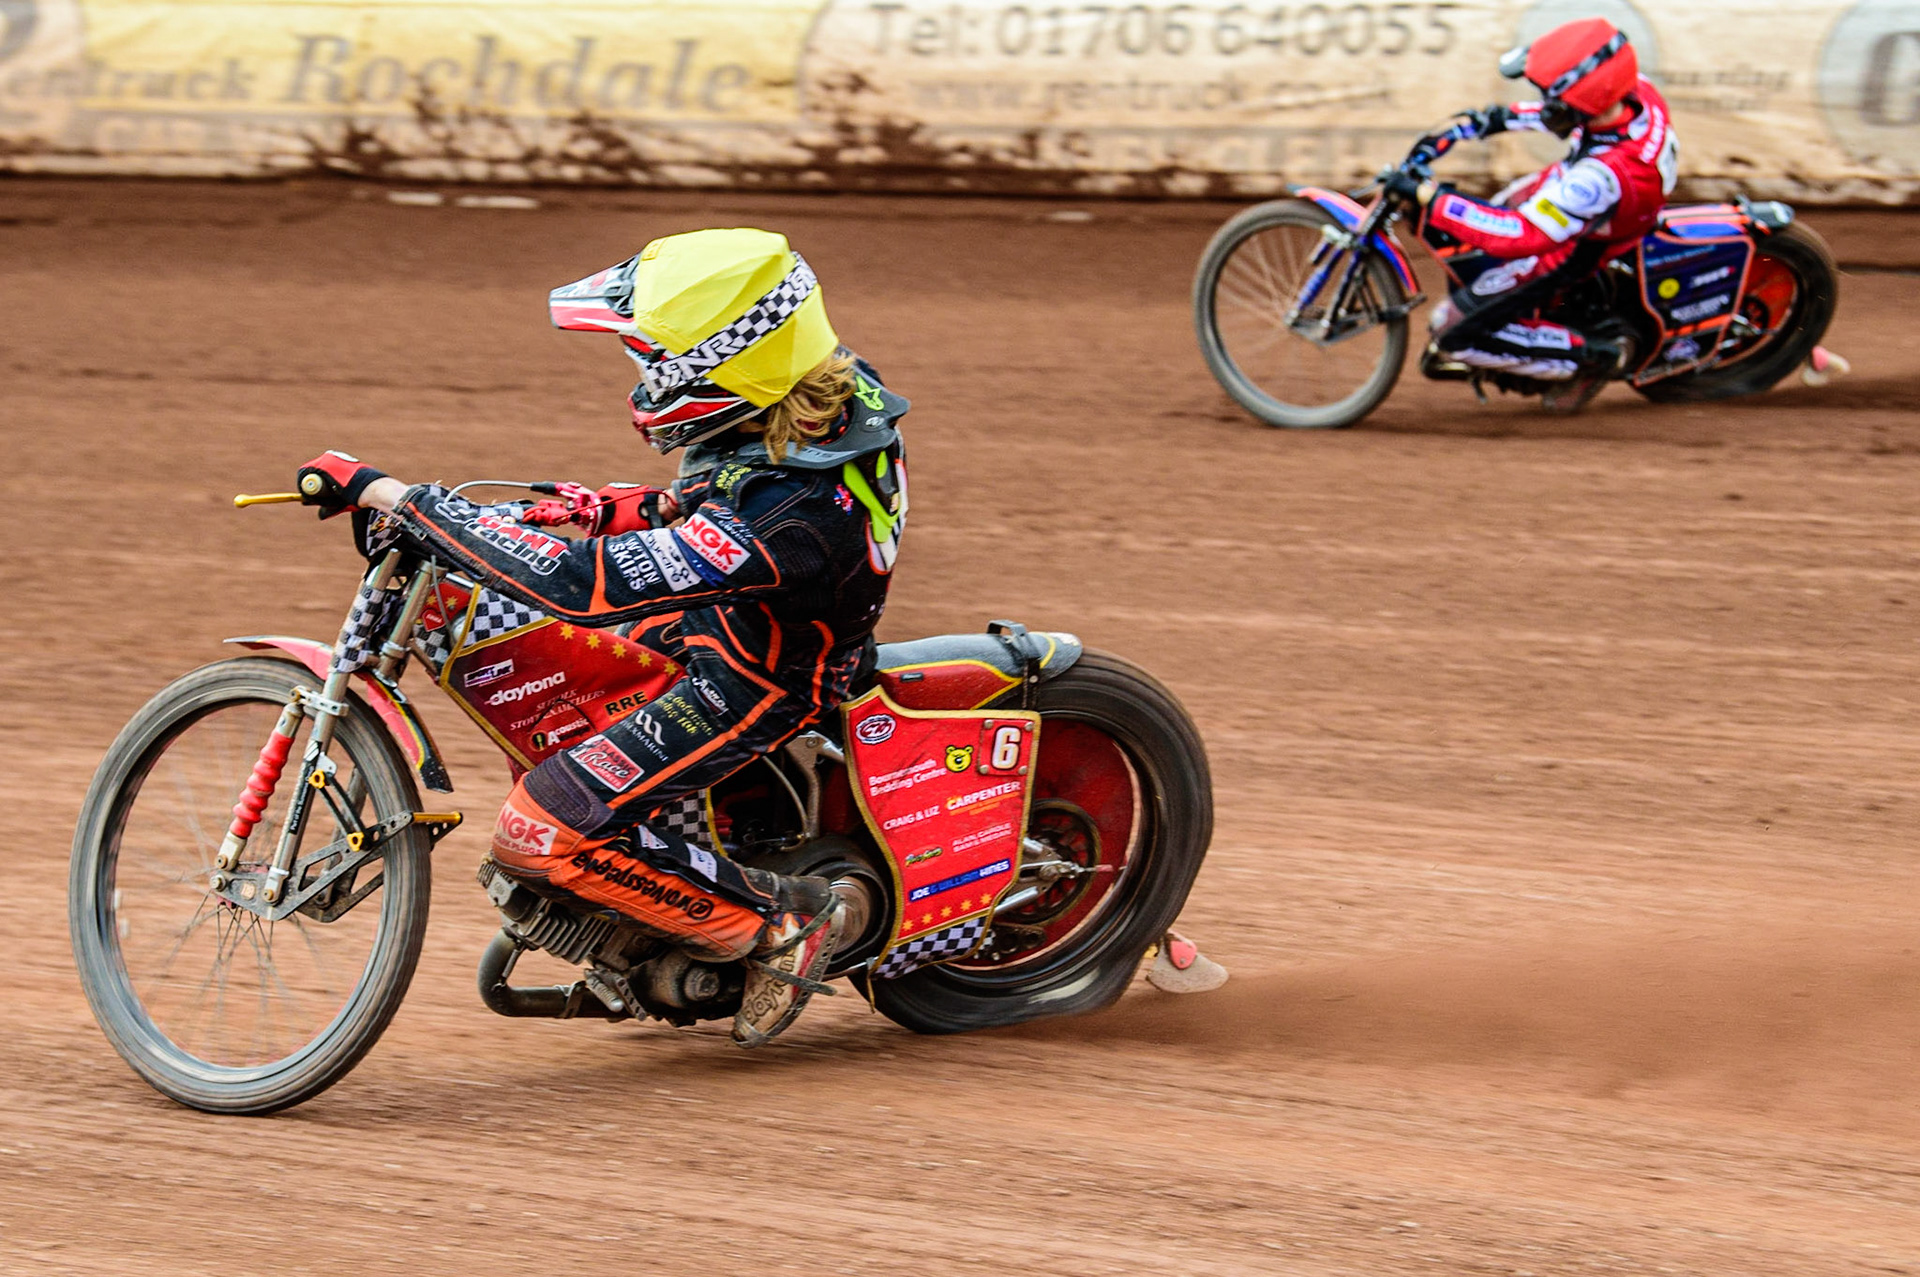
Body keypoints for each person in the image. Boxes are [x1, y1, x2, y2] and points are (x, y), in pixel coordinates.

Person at [295, 227, 909, 1047]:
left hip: (754, 679)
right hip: (731, 613)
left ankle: (784, 921)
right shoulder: (818, 391)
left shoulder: (788, 514)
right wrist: (599, 507)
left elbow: (580, 585)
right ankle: (641, 882)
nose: (644, 374)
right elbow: (711, 493)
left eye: (654, 356)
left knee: (537, 829)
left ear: (720, 364)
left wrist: (406, 502)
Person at [1387, 17, 1678, 411]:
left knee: (1452, 333)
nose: (1543, 100)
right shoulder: (1633, 91)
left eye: (1549, 95)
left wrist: (1430, 198)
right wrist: (1490, 120)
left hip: (1577, 247)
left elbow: (1518, 235)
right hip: (1595, 199)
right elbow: (1561, 116)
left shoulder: (1600, 176)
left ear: (1582, 101)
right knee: (1495, 211)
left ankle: (1593, 356)